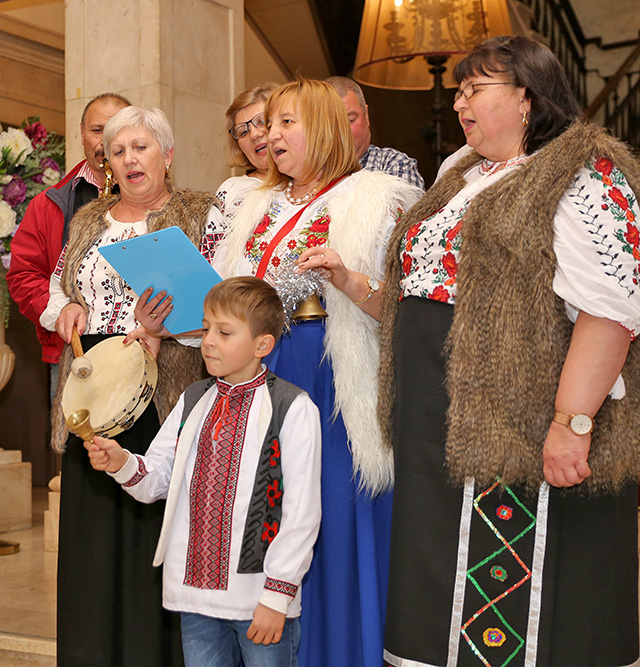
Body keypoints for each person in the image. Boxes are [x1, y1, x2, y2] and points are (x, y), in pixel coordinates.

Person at [378, 35, 640, 665]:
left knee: (523, 593)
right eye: (461, 90)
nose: (461, 102)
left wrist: (571, 423)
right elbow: (421, 293)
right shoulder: (460, 171)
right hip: (437, 413)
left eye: (475, 89)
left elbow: (611, 308)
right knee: (436, 580)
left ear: (526, 95)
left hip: (521, 417)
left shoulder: (582, 169)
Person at [181, 78, 421, 665]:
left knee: (330, 514)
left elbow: (409, 307)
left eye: (287, 122)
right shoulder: (252, 205)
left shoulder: (380, 199)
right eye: (267, 124)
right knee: (264, 513)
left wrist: (346, 279)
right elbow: (223, 300)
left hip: (332, 378)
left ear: (325, 127)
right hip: (259, 377)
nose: (269, 135)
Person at [40, 105, 224, 665]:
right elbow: (55, 287)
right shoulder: (88, 221)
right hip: (95, 391)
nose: (129, 159)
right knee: (91, 544)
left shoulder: (200, 215)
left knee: (152, 540)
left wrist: (167, 328)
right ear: (107, 163)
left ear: (166, 155)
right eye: (118, 151)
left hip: (167, 392)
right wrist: (64, 309)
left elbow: (224, 305)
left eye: (141, 147)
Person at [87, 276, 322, 666]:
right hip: (193, 599)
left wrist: (276, 596)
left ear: (263, 345)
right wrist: (122, 462)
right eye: (207, 327)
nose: (209, 340)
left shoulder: (292, 408)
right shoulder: (194, 398)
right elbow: (159, 477)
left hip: (257, 600)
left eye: (224, 332)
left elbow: (301, 515)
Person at [8, 92, 131, 370]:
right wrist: (61, 310)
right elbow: (23, 274)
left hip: (139, 348)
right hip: (72, 351)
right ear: (82, 134)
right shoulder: (48, 204)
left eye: (117, 130)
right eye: (98, 130)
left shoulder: (156, 201)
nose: (106, 141)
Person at [326, 75, 425, 189]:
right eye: (330, 125)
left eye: (350, 120)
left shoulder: (393, 165)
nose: (342, 133)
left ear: (366, 115)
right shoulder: (307, 176)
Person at [215, 83, 279, 225]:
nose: (254, 135)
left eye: (261, 122)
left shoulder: (312, 184)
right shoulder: (232, 191)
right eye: (243, 131)